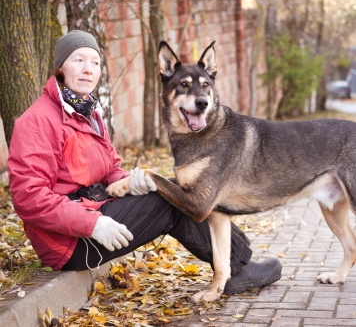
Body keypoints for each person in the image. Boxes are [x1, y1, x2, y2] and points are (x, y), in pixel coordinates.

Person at [7, 30, 282, 295]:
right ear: (60, 69)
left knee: (181, 190)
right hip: (69, 243)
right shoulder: (37, 121)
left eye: (94, 62)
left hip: (97, 211)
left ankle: (239, 261)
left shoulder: (87, 111)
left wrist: (129, 182)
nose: (88, 69)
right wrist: (92, 225)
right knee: (170, 199)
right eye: (78, 60)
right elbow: (28, 198)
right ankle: (239, 268)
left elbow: (110, 169)